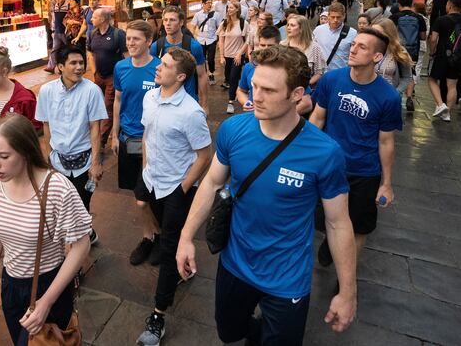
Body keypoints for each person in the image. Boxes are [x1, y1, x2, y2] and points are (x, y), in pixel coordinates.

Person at [177, 45, 356, 346]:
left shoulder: (325, 153)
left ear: (297, 94)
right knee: (229, 332)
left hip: (287, 278)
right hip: (235, 264)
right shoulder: (233, 129)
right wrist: (185, 237)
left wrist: (348, 292)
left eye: (269, 91)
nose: (255, 97)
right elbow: (211, 183)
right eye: (255, 85)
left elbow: (338, 223)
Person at [0, 114, 91, 345]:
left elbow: (81, 245)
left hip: (48, 284)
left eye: (4, 156)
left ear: (26, 151)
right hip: (11, 285)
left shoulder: (57, 188)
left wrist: (46, 302)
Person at [136, 48, 212, 346]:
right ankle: (186, 265)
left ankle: (158, 316)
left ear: (180, 77)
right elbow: (147, 135)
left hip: (176, 189)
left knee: (169, 247)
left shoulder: (190, 112)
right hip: (153, 181)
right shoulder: (150, 97)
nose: (158, 67)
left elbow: (204, 155)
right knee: (168, 232)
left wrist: (183, 189)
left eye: (165, 65)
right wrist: (145, 167)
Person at [310, 28, 401, 273]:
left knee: (360, 227)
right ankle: (331, 241)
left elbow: (386, 142)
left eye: (362, 47)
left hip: (364, 171)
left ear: (377, 57)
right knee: (325, 220)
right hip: (330, 166)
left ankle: (345, 275)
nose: (353, 49)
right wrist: (306, 154)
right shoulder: (331, 79)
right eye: (354, 44)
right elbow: (318, 118)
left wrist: (387, 183)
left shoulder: (388, 97)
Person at [35, 44, 107, 236]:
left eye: (81, 63)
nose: (79, 67)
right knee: (59, 206)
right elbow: (46, 126)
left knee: (82, 204)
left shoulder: (92, 91)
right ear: (60, 66)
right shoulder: (47, 91)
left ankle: (81, 241)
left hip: (84, 162)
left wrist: (96, 163)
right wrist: (48, 158)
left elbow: (95, 129)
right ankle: (80, 237)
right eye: (73, 63)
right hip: (58, 161)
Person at [110, 20, 162, 266]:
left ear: (149, 42)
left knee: (146, 197)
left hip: (152, 143)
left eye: (136, 39)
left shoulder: (160, 69)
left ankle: (156, 236)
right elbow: (118, 101)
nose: (130, 43)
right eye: (128, 38)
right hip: (126, 140)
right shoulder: (121, 67)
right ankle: (150, 236)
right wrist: (113, 134)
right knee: (137, 194)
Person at [238, 25, 313, 117]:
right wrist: (246, 102)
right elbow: (241, 90)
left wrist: (278, 117)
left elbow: (307, 103)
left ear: (279, 44)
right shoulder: (249, 66)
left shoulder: (290, 67)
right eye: (262, 45)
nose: (265, 48)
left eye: (270, 45)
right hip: (253, 121)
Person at [150, 6, 209, 114]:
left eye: (172, 20)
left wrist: (204, 104)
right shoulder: (157, 46)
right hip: (163, 102)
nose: (168, 23)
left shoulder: (194, 46)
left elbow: (202, 75)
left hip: (187, 101)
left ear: (181, 22)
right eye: (165, 20)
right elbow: (152, 74)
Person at [427, 0, 461, 122]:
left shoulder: (441, 20)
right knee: (452, 85)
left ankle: (441, 105)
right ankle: (447, 113)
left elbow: (433, 39)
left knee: (432, 80)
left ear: (450, 5)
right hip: (458, 57)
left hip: (442, 55)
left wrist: (432, 52)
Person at [86, 8, 127, 148]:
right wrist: (94, 71)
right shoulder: (92, 34)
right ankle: (97, 133)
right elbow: (90, 53)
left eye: (94, 17)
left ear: (103, 19)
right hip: (99, 77)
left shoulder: (118, 34)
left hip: (113, 78)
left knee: (109, 106)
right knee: (96, 106)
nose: (91, 19)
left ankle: (100, 142)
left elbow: (127, 56)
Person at [389, 0, 426, 111]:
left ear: (399, 3)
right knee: (410, 74)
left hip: (397, 49)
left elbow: (389, 34)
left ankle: (395, 95)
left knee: (396, 72)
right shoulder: (419, 17)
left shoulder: (394, 17)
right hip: (413, 50)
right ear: (412, 3)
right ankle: (409, 97)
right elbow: (423, 36)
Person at [218, 0, 248, 114]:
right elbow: (221, 41)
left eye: (231, 8)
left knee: (233, 77)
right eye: (228, 8)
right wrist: (221, 56)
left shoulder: (243, 23)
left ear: (237, 9)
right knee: (228, 78)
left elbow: (247, 41)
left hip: (237, 56)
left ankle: (230, 102)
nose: (229, 10)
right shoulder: (224, 23)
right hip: (227, 56)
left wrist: (240, 54)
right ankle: (235, 91)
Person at [372, 19, 414, 95]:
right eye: (372, 32)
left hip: (389, 95)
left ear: (388, 33)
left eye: (378, 33)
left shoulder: (399, 50)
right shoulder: (369, 48)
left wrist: (396, 92)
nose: (374, 35)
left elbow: (407, 77)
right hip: (369, 94)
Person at [284, 14, 326, 87]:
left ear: (301, 29)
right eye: (288, 25)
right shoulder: (282, 45)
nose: (288, 28)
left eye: (292, 25)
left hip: (305, 89)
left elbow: (319, 73)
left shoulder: (314, 47)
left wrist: (306, 85)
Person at [314, 2, 357, 70]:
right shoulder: (318, 30)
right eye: (333, 17)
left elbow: (355, 55)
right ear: (328, 16)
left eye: (338, 17)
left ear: (344, 16)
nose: (335, 20)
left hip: (341, 74)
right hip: (321, 74)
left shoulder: (352, 33)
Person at [191, 0, 220, 86]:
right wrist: (194, 37)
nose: (210, 5)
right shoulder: (198, 14)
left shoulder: (216, 14)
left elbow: (219, 27)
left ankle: (211, 73)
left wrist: (218, 38)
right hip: (201, 40)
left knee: (211, 59)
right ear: (203, 4)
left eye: (211, 3)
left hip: (212, 39)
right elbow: (193, 26)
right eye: (208, 3)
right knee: (202, 59)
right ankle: (203, 74)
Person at [44, 0, 70, 73]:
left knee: (68, 49)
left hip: (65, 31)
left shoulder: (68, 5)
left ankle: (67, 66)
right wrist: (53, 29)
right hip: (57, 31)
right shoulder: (55, 5)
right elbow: (54, 19)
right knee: (54, 49)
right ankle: (51, 67)